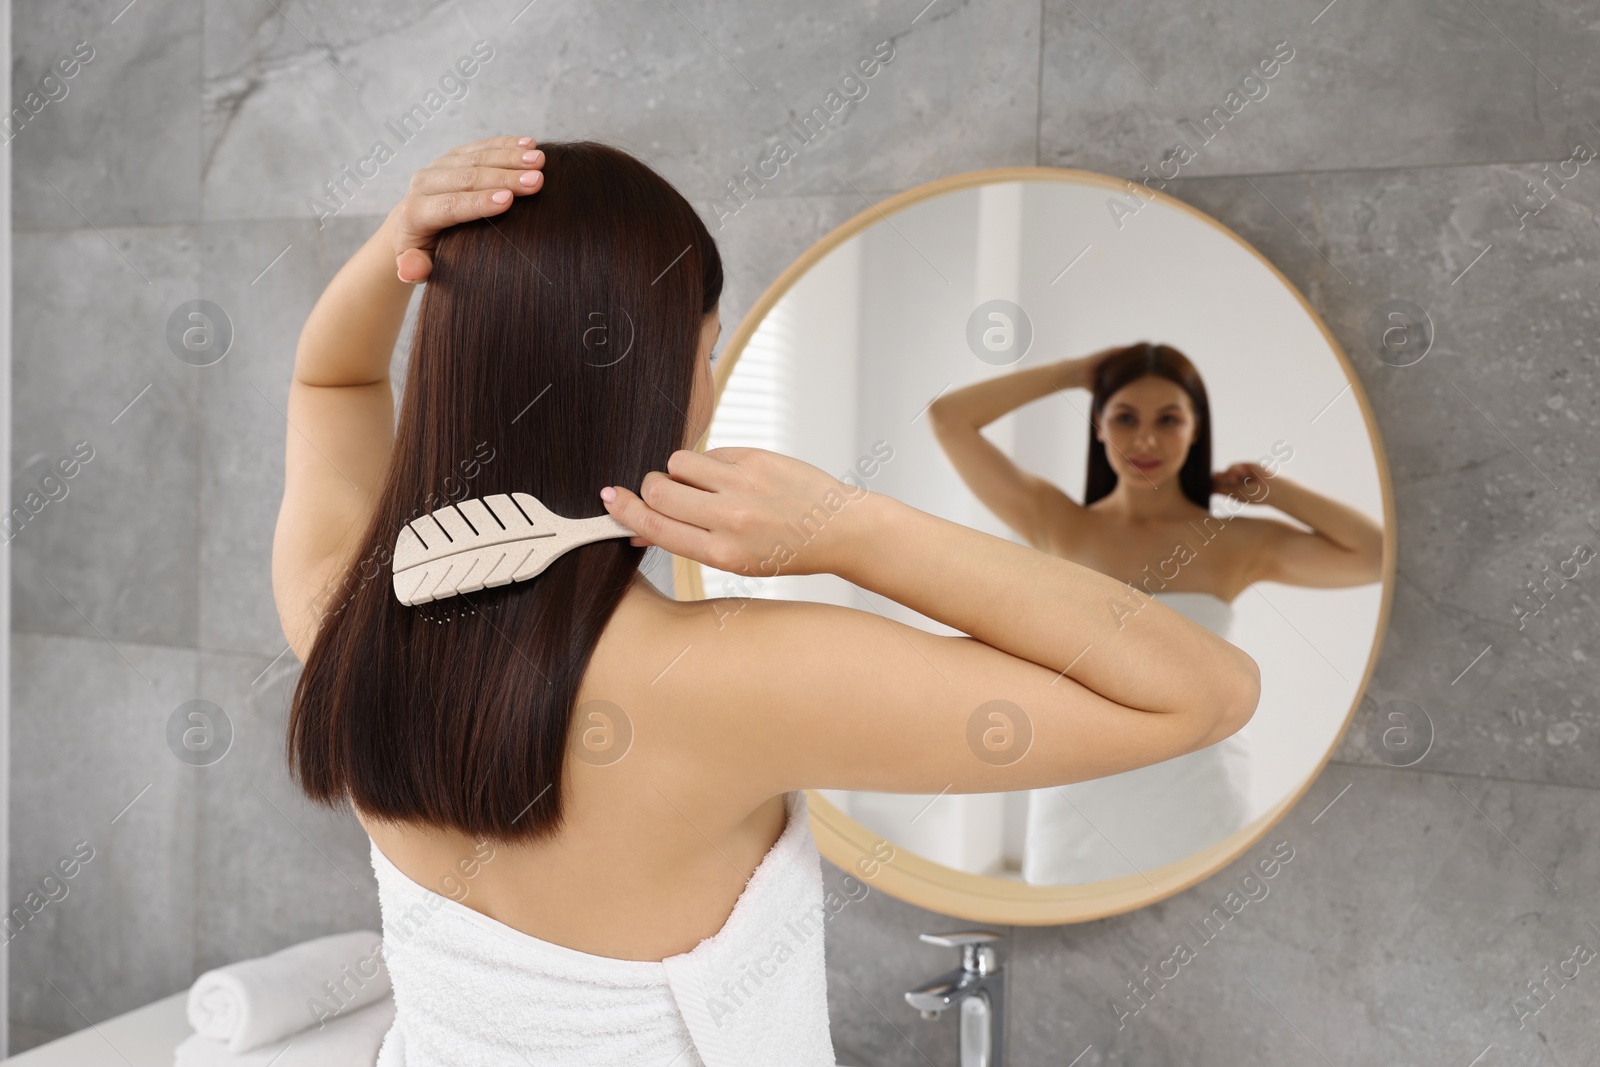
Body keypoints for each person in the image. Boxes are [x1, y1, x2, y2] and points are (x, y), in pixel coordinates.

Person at [271, 136, 1261, 1065]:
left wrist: (399, 237)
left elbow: (331, 380)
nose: (708, 381)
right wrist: (849, 525)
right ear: (654, 378)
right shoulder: (729, 682)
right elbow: (1200, 691)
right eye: (703, 350)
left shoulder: (346, 611)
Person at [927, 343, 1382, 882]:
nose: (1145, 439)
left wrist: (1275, 491)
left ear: (1195, 430)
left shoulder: (1232, 543)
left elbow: (1375, 556)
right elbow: (949, 418)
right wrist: (1076, 372)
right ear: (1097, 426)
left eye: (1169, 419)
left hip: (1197, 804)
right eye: (1124, 417)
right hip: (1076, 809)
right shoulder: (1058, 525)